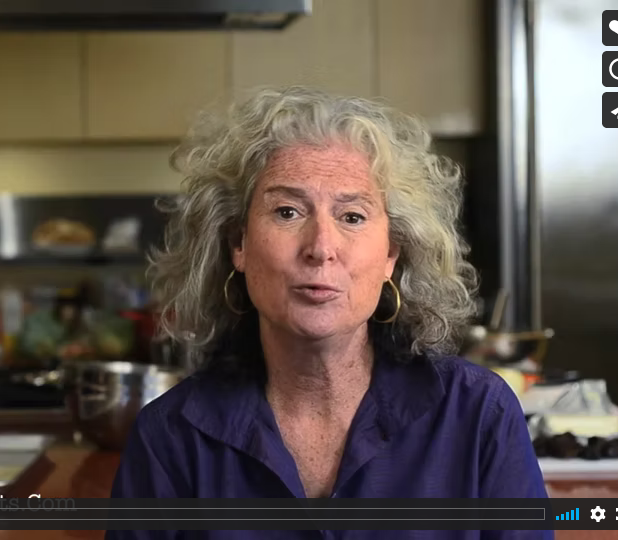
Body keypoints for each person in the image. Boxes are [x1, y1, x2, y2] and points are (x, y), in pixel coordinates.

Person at [106, 87, 552, 540]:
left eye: (352, 217)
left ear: (391, 254)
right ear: (238, 243)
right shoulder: (170, 437)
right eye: (287, 211)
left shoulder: (478, 415)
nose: (321, 247)